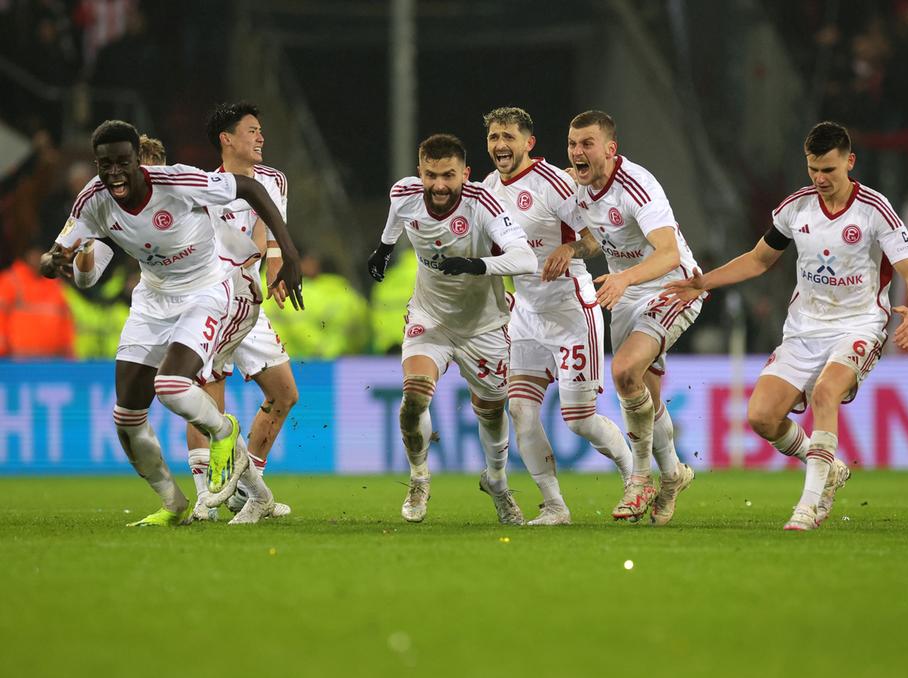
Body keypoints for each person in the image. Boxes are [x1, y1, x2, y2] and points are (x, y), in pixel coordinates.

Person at [664, 121, 908, 531]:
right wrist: (703, 282)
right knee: (762, 418)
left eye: (829, 170)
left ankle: (808, 505)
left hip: (858, 326)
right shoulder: (796, 209)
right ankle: (829, 469)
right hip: (803, 330)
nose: (820, 179)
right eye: (813, 169)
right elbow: (757, 260)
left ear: (849, 162)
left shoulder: (875, 210)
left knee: (825, 392)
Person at [40, 119, 303, 526]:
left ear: (138, 163)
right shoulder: (92, 199)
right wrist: (52, 262)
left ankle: (224, 432)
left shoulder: (178, 181)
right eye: (105, 164)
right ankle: (176, 502)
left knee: (173, 386)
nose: (114, 172)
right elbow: (68, 260)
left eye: (123, 162)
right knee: (126, 418)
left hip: (207, 290)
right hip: (152, 301)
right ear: (97, 163)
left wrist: (287, 254)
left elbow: (249, 189)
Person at [367, 133, 536, 525]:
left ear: (466, 173)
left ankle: (496, 481)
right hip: (430, 318)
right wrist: (384, 248)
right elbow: (396, 217)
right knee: (414, 400)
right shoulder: (404, 193)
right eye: (430, 175)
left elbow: (525, 258)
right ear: (419, 172)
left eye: (448, 175)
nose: (439, 185)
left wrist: (478, 265)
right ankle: (419, 477)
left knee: (492, 412)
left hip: (485, 326)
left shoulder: (484, 204)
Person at [479, 106, 633, 526]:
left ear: (529, 143)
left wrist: (568, 249)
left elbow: (594, 238)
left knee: (579, 420)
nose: (500, 145)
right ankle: (554, 505)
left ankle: (634, 476)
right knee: (521, 411)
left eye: (508, 137)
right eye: (494, 137)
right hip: (526, 314)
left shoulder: (555, 183)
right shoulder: (488, 190)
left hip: (570, 308)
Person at [566, 110, 701, 525]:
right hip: (624, 292)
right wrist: (570, 250)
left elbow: (668, 253)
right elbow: (594, 234)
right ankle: (673, 474)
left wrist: (624, 278)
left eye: (586, 144)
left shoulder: (637, 186)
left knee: (624, 369)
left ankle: (640, 478)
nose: (576, 153)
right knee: (642, 391)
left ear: (610, 148)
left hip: (672, 286)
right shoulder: (578, 186)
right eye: (572, 144)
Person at [183, 102, 299, 521]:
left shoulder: (274, 180)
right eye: (251, 131)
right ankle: (206, 494)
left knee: (284, 393)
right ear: (226, 139)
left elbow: (269, 229)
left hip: (250, 303)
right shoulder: (205, 188)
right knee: (207, 399)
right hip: (214, 302)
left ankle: (245, 490)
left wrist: (277, 267)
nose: (260, 137)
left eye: (261, 130)